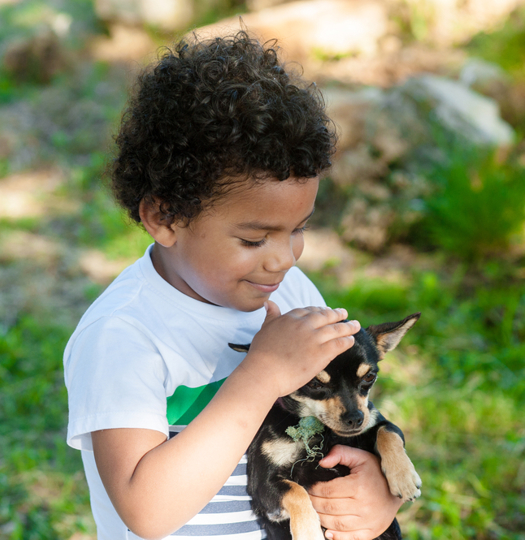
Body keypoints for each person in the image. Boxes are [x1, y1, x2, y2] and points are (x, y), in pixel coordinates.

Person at [64, 30, 404, 540]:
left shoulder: (292, 293)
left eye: (299, 230)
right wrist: (262, 374)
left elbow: (342, 421)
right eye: (253, 239)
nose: (283, 260)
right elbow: (146, 511)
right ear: (165, 216)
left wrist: (375, 494)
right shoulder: (123, 336)